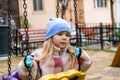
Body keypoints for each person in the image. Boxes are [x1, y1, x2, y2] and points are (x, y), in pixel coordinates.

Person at [17, 18, 92, 80]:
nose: (64, 37)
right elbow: (27, 77)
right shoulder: (40, 54)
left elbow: (83, 69)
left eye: (67, 35)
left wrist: (84, 57)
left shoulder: (72, 53)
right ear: (51, 37)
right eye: (60, 34)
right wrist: (26, 67)